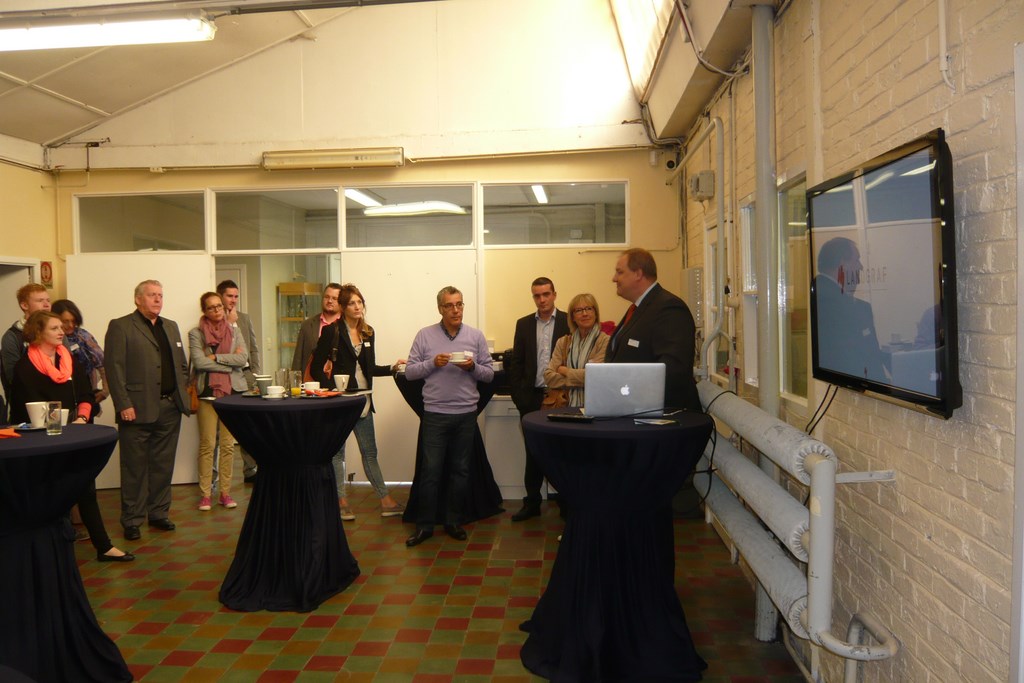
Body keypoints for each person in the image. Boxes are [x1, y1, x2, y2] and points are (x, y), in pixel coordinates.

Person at [9, 311, 134, 563]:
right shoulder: (25, 366)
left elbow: (86, 394)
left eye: (61, 327)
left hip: (71, 434)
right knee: (52, 494)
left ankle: (104, 546)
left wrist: (82, 419)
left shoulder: (68, 358)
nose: (61, 331)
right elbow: (29, 406)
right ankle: (55, 550)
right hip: (41, 441)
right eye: (54, 328)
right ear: (38, 332)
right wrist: (60, 426)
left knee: (85, 488)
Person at [402, 286, 494, 547]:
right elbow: (409, 372)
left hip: (466, 414)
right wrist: (433, 363)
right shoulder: (425, 335)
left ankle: (453, 522)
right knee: (430, 472)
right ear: (440, 309)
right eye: (450, 305)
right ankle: (425, 527)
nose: (456, 310)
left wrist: (472, 367)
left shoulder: (475, 336)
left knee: (460, 471)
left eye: (459, 304)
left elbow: (489, 374)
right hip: (435, 414)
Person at [105, 280, 191, 541]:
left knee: (163, 465)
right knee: (134, 468)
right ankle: (132, 519)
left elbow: (182, 365)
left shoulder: (170, 326)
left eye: (160, 295)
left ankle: (158, 513)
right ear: (138, 299)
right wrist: (123, 404)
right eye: (152, 295)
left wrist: (180, 393)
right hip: (136, 409)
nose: (157, 299)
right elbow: (114, 369)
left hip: (169, 407)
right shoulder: (121, 326)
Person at [310, 284, 404, 520]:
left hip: (363, 401)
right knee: (337, 455)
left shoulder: (368, 332)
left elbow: (369, 368)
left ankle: (385, 500)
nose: (357, 306)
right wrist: (332, 390)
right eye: (352, 303)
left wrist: (392, 368)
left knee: (370, 453)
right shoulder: (332, 331)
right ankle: (340, 501)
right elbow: (316, 367)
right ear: (343, 307)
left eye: (359, 302)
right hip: (340, 404)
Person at [606, 247, 700, 412]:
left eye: (620, 272)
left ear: (638, 274)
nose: (614, 278)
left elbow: (672, 370)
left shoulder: (669, 308)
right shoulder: (637, 309)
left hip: (663, 417)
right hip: (634, 411)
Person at [507, 277, 570, 522]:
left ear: (554, 294)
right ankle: (531, 502)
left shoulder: (568, 321)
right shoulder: (523, 324)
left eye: (546, 294)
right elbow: (517, 363)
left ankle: (566, 503)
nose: (542, 299)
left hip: (559, 398)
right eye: (537, 295)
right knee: (532, 453)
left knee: (562, 452)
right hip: (531, 399)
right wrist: (520, 397)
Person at [188, 292, 248, 512]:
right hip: (207, 394)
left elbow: (243, 359)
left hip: (230, 395)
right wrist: (229, 366)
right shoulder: (196, 334)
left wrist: (216, 357)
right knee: (207, 445)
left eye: (219, 306)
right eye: (211, 307)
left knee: (228, 445)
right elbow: (199, 363)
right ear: (204, 311)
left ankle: (225, 493)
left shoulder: (234, 331)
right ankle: (205, 494)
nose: (216, 310)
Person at [812, 237, 888, 382]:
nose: (861, 267)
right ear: (842, 263)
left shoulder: (818, 294)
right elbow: (862, 357)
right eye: (857, 260)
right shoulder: (840, 305)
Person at [217, 279, 260, 483]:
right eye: (229, 296)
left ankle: (250, 469)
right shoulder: (213, 320)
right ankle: (215, 476)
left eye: (236, 296)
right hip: (224, 376)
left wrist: (256, 374)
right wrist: (228, 322)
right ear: (220, 296)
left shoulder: (244, 318)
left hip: (247, 375)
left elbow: (253, 348)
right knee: (222, 430)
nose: (233, 300)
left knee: (250, 425)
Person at [543, 292, 610, 407]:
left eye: (589, 308)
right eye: (578, 310)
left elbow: (597, 377)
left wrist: (566, 371)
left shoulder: (605, 341)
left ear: (595, 313)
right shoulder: (563, 342)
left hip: (597, 407)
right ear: (573, 317)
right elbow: (549, 377)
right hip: (566, 406)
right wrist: (583, 377)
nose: (585, 314)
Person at [1, 283, 51, 421]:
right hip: (26, 409)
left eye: (48, 300)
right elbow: (13, 378)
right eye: (40, 301)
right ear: (24, 305)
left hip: (56, 404)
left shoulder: (57, 333)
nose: (46, 305)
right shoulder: (12, 336)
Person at [52, 299, 109, 414]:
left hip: (85, 395)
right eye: (65, 321)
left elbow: (103, 363)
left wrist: (105, 391)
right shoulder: (50, 339)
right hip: (59, 396)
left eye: (73, 321)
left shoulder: (83, 336)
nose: (70, 325)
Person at [291, 283, 343, 373]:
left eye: (334, 298)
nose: (330, 301)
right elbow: (298, 359)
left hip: (339, 379)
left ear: (342, 302)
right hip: (310, 379)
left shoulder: (347, 326)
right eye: (327, 297)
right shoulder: (307, 325)